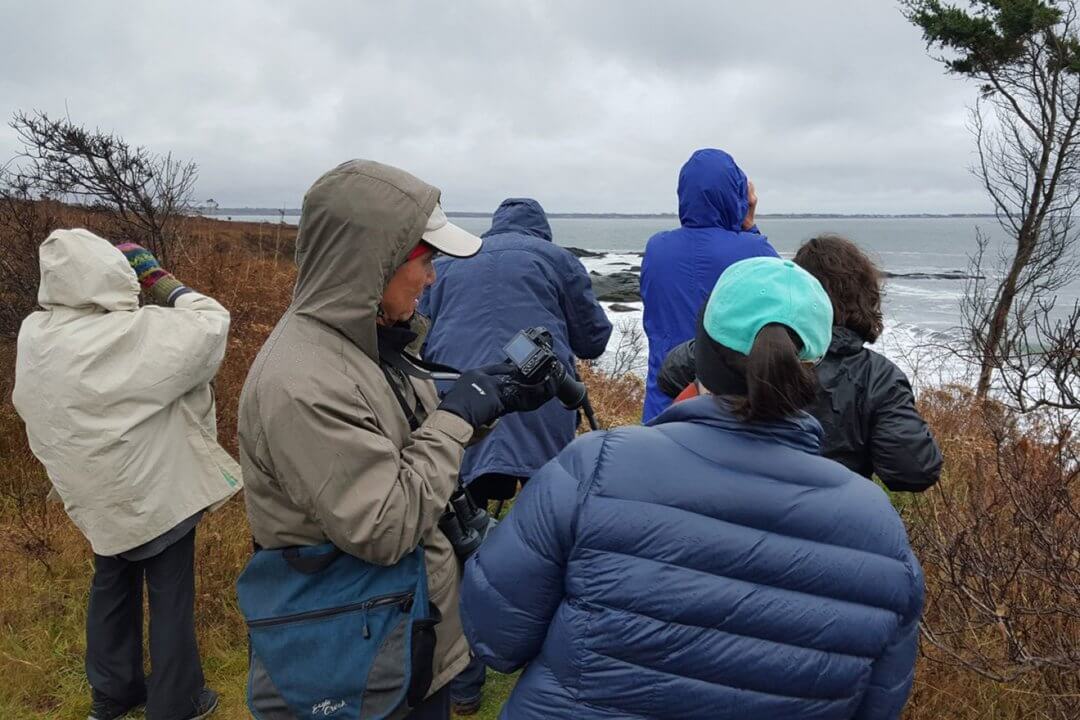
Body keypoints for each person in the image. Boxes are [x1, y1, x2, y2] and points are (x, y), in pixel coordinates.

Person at [461, 257, 925, 720]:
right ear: (814, 370)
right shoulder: (880, 531)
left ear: (700, 351)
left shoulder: (595, 466)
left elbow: (496, 637)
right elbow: (877, 705)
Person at [237, 160, 558, 720]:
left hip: (394, 632)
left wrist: (493, 397)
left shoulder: (357, 342)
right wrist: (459, 417)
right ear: (373, 263)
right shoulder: (301, 382)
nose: (432, 278)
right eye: (425, 260)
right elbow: (385, 523)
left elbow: (400, 434)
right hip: (353, 654)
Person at [12, 230, 238, 720]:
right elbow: (212, 323)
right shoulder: (134, 332)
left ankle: (113, 695)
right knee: (170, 593)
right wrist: (161, 281)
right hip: (156, 488)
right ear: (113, 275)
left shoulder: (37, 333)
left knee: (111, 581)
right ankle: (178, 703)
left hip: (93, 489)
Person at [417, 196, 611, 712]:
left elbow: (420, 329)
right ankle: (541, 651)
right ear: (541, 232)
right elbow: (594, 339)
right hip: (540, 403)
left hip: (458, 403)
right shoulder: (557, 260)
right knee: (547, 531)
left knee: (458, 533)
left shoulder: (449, 262)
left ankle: (464, 684)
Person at [659, 234, 942, 491]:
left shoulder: (745, 347)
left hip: (722, 493)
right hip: (830, 516)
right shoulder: (877, 377)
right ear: (865, 297)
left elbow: (670, 372)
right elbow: (913, 471)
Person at [640, 147, 778, 422]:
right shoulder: (754, 250)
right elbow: (783, 307)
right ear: (737, 195)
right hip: (729, 410)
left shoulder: (657, 248)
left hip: (663, 402)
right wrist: (749, 225)